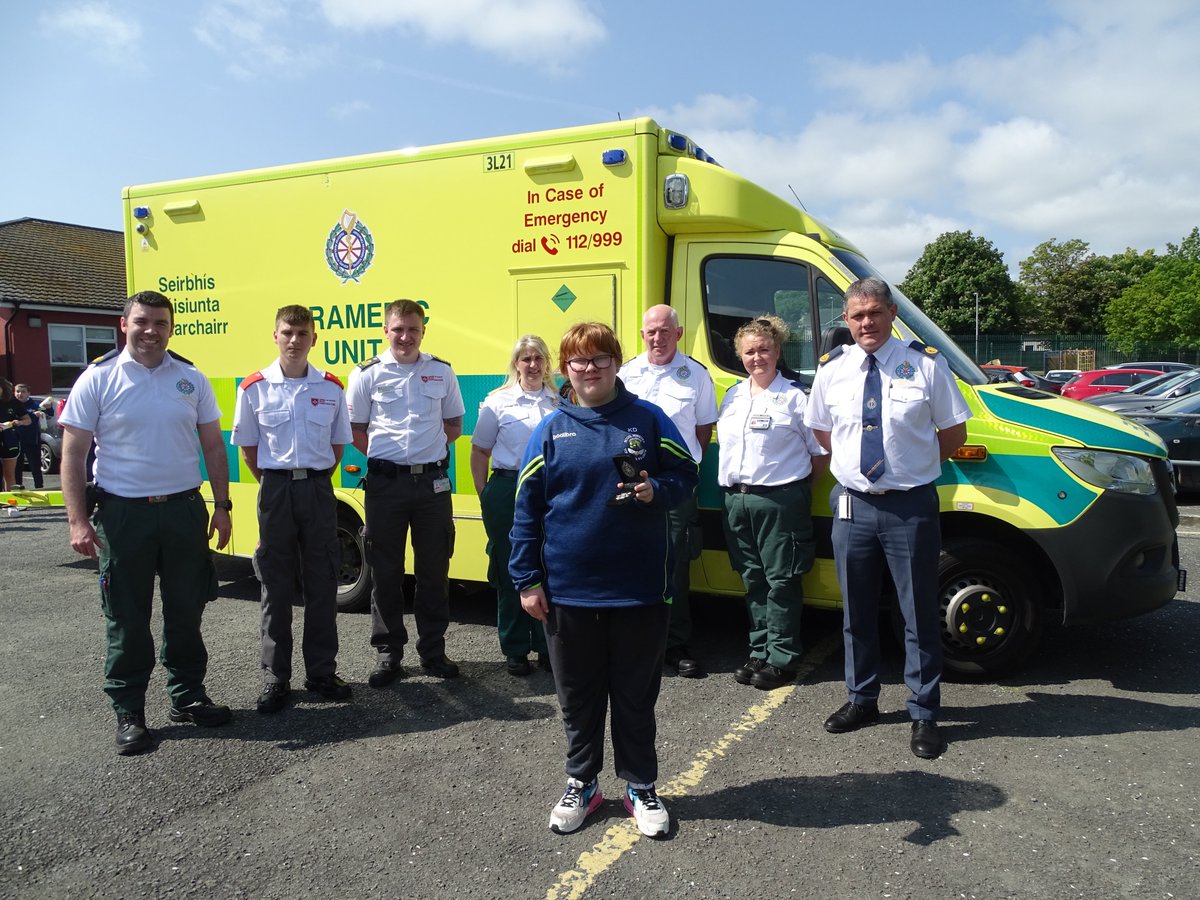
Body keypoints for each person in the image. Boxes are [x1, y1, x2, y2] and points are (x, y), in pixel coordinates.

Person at [511, 322, 698, 839]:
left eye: (600, 358)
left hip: (639, 589)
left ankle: (640, 785)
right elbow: (526, 510)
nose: (589, 368)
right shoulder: (551, 429)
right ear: (565, 369)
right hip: (569, 591)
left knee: (636, 696)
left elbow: (686, 476)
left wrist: (657, 491)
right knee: (578, 697)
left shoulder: (648, 419)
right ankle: (583, 783)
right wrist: (527, 579)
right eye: (579, 360)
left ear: (617, 362)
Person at [58, 290, 234, 756]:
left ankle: (187, 696)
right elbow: (73, 454)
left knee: (187, 610)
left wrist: (222, 505)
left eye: (160, 323)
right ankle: (129, 710)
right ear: (124, 324)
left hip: (182, 510)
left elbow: (213, 446)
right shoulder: (98, 378)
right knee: (127, 617)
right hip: (124, 515)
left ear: (171, 328)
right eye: (141, 321)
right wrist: (77, 521)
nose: (151, 331)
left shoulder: (191, 378)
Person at [804, 277, 971, 760]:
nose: (866, 323)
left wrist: (909, 469)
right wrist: (858, 470)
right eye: (857, 316)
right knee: (856, 611)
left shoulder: (925, 365)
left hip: (909, 506)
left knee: (917, 612)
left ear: (892, 314)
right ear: (846, 320)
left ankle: (924, 712)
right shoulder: (832, 369)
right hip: (852, 504)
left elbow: (953, 431)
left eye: (875, 313)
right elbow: (823, 431)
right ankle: (862, 699)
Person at [231, 305, 355, 714]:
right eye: (287, 332)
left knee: (322, 582)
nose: (294, 340)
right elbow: (249, 451)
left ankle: (321, 673)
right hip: (276, 490)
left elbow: (336, 447)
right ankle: (275, 678)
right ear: (275, 335)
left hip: (318, 489)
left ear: (314, 339)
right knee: (276, 586)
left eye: (303, 333)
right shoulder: (254, 388)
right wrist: (278, 482)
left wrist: (311, 479)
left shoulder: (331, 388)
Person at [347, 298, 466, 685]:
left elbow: (454, 424)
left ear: (423, 331)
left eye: (413, 329)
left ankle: (433, 652)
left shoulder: (441, 371)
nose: (405, 336)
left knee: (434, 571)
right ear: (386, 330)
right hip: (386, 485)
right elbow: (356, 430)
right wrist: (391, 460)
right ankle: (388, 653)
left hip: (432, 485)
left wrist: (424, 455)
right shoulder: (366, 374)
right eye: (398, 329)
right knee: (386, 572)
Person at [716, 315, 827, 691]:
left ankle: (782, 658)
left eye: (764, 349)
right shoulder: (732, 396)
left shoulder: (796, 398)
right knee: (752, 579)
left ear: (778, 351)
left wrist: (793, 490)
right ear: (740, 355)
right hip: (737, 499)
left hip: (780, 500)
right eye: (749, 351)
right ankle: (760, 650)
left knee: (782, 582)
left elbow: (819, 453)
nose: (757, 357)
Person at [618, 305, 717, 679]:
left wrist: (682, 469)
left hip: (675, 485)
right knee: (630, 558)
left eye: (664, 330)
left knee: (675, 562)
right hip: (631, 481)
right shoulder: (626, 373)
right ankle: (634, 642)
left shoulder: (697, 375)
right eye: (651, 331)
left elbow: (703, 429)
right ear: (642, 335)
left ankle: (675, 644)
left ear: (678, 333)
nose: (657, 337)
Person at [469, 335, 558, 677]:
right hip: (508, 488)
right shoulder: (498, 402)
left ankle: (547, 646)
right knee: (509, 568)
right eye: (526, 359)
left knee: (547, 566)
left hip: (549, 490)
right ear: (516, 364)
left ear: (546, 362)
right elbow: (480, 451)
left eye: (538, 358)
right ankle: (515, 647)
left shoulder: (560, 402)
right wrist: (486, 494)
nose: (533, 365)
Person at [0, 378, 32, 490]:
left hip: (10, 440)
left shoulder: (13, 402)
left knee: (9, 474)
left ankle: (10, 498)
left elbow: (28, 420)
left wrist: (19, 422)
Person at [12, 383, 44, 489]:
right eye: (17, 391)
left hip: (32, 440)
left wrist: (47, 409)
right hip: (16, 440)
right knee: (17, 468)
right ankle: (18, 489)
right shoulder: (12, 405)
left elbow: (46, 411)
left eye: (23, 392)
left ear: (28, 393)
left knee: (35, 467)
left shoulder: (34, 405)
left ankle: (39, 488)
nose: (20, 394)